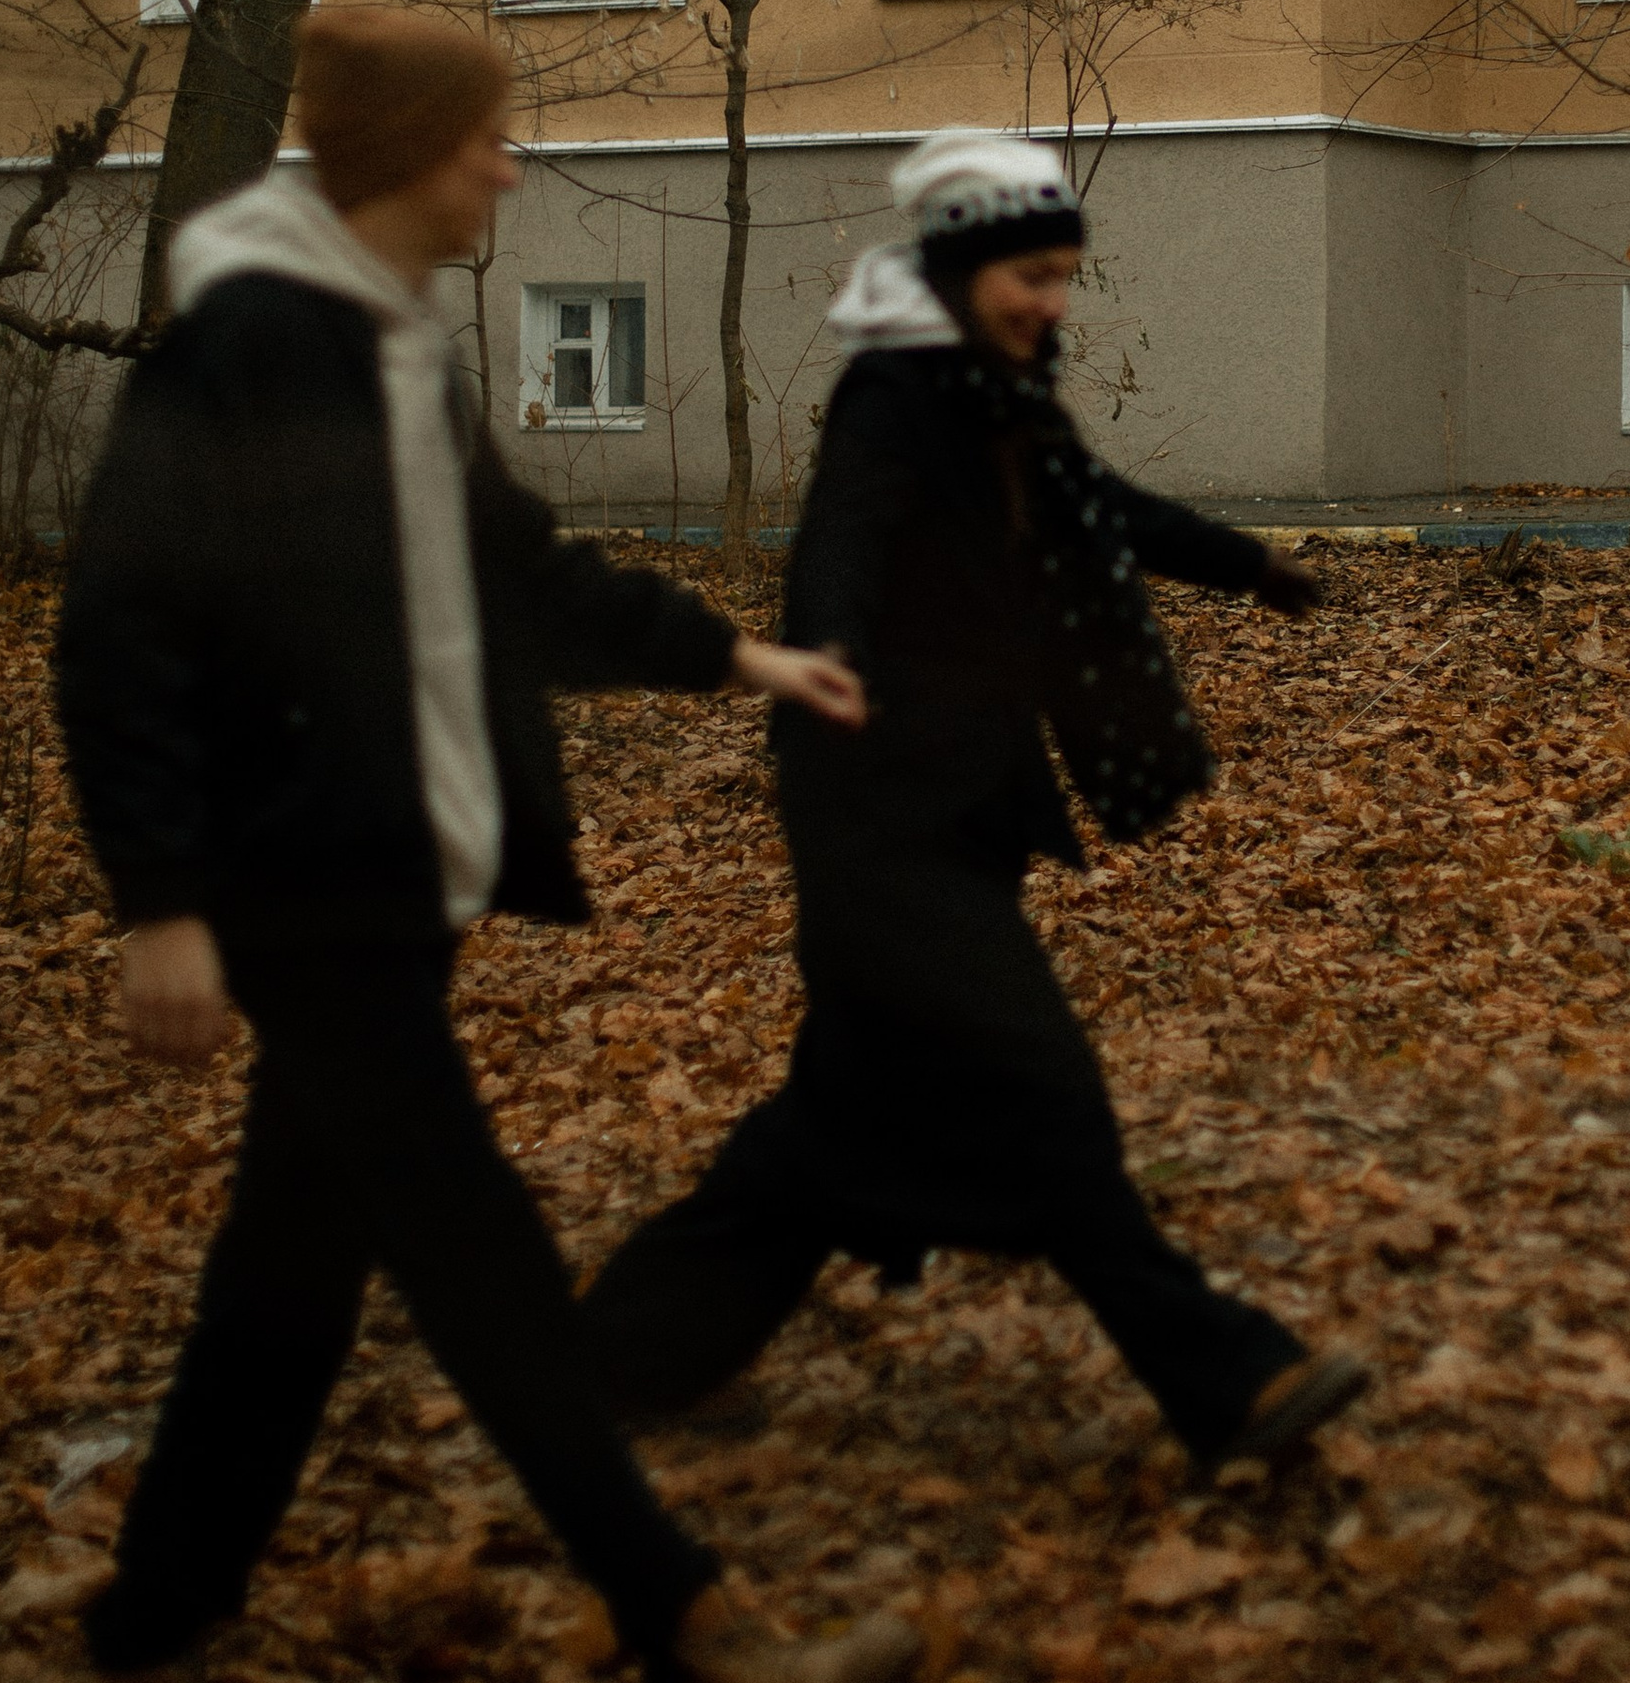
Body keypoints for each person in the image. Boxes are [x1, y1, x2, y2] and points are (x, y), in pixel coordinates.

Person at [52, 8, 917, 1683]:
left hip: (396, 878)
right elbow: (121, 628)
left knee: (287, 1283)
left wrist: (736, 657)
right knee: (488, 1271)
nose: (505, 171)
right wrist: (162, 903)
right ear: (404, 158)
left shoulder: (390, 344)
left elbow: (512, 574)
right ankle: (709, 1651)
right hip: (309, 890)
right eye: (482, 140)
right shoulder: (252, 345)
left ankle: (145, 1640)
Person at [578, 128, 1369, 1476]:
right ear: (960, 272)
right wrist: (825, 647)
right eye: (1029, 277)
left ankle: (615, 1362)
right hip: (877, 809)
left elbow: (1091, 502)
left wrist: (1244, 566)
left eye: (1064, 278)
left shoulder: (1001, 395)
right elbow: (843, 532)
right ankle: (1230, 1380)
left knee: (828, 1135)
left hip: (961, 800)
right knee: (1042, 1092)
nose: (1050, 303)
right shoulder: (898, 395)